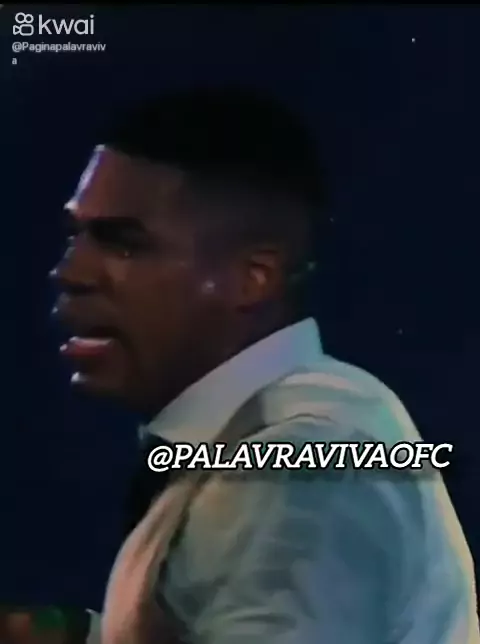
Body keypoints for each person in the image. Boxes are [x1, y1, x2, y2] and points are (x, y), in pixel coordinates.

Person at [51, 87, 479, 644]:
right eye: (77, 235)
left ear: (253, 278)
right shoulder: (274, 437)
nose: (71, 272)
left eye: (124, 244)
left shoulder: (302, 461)